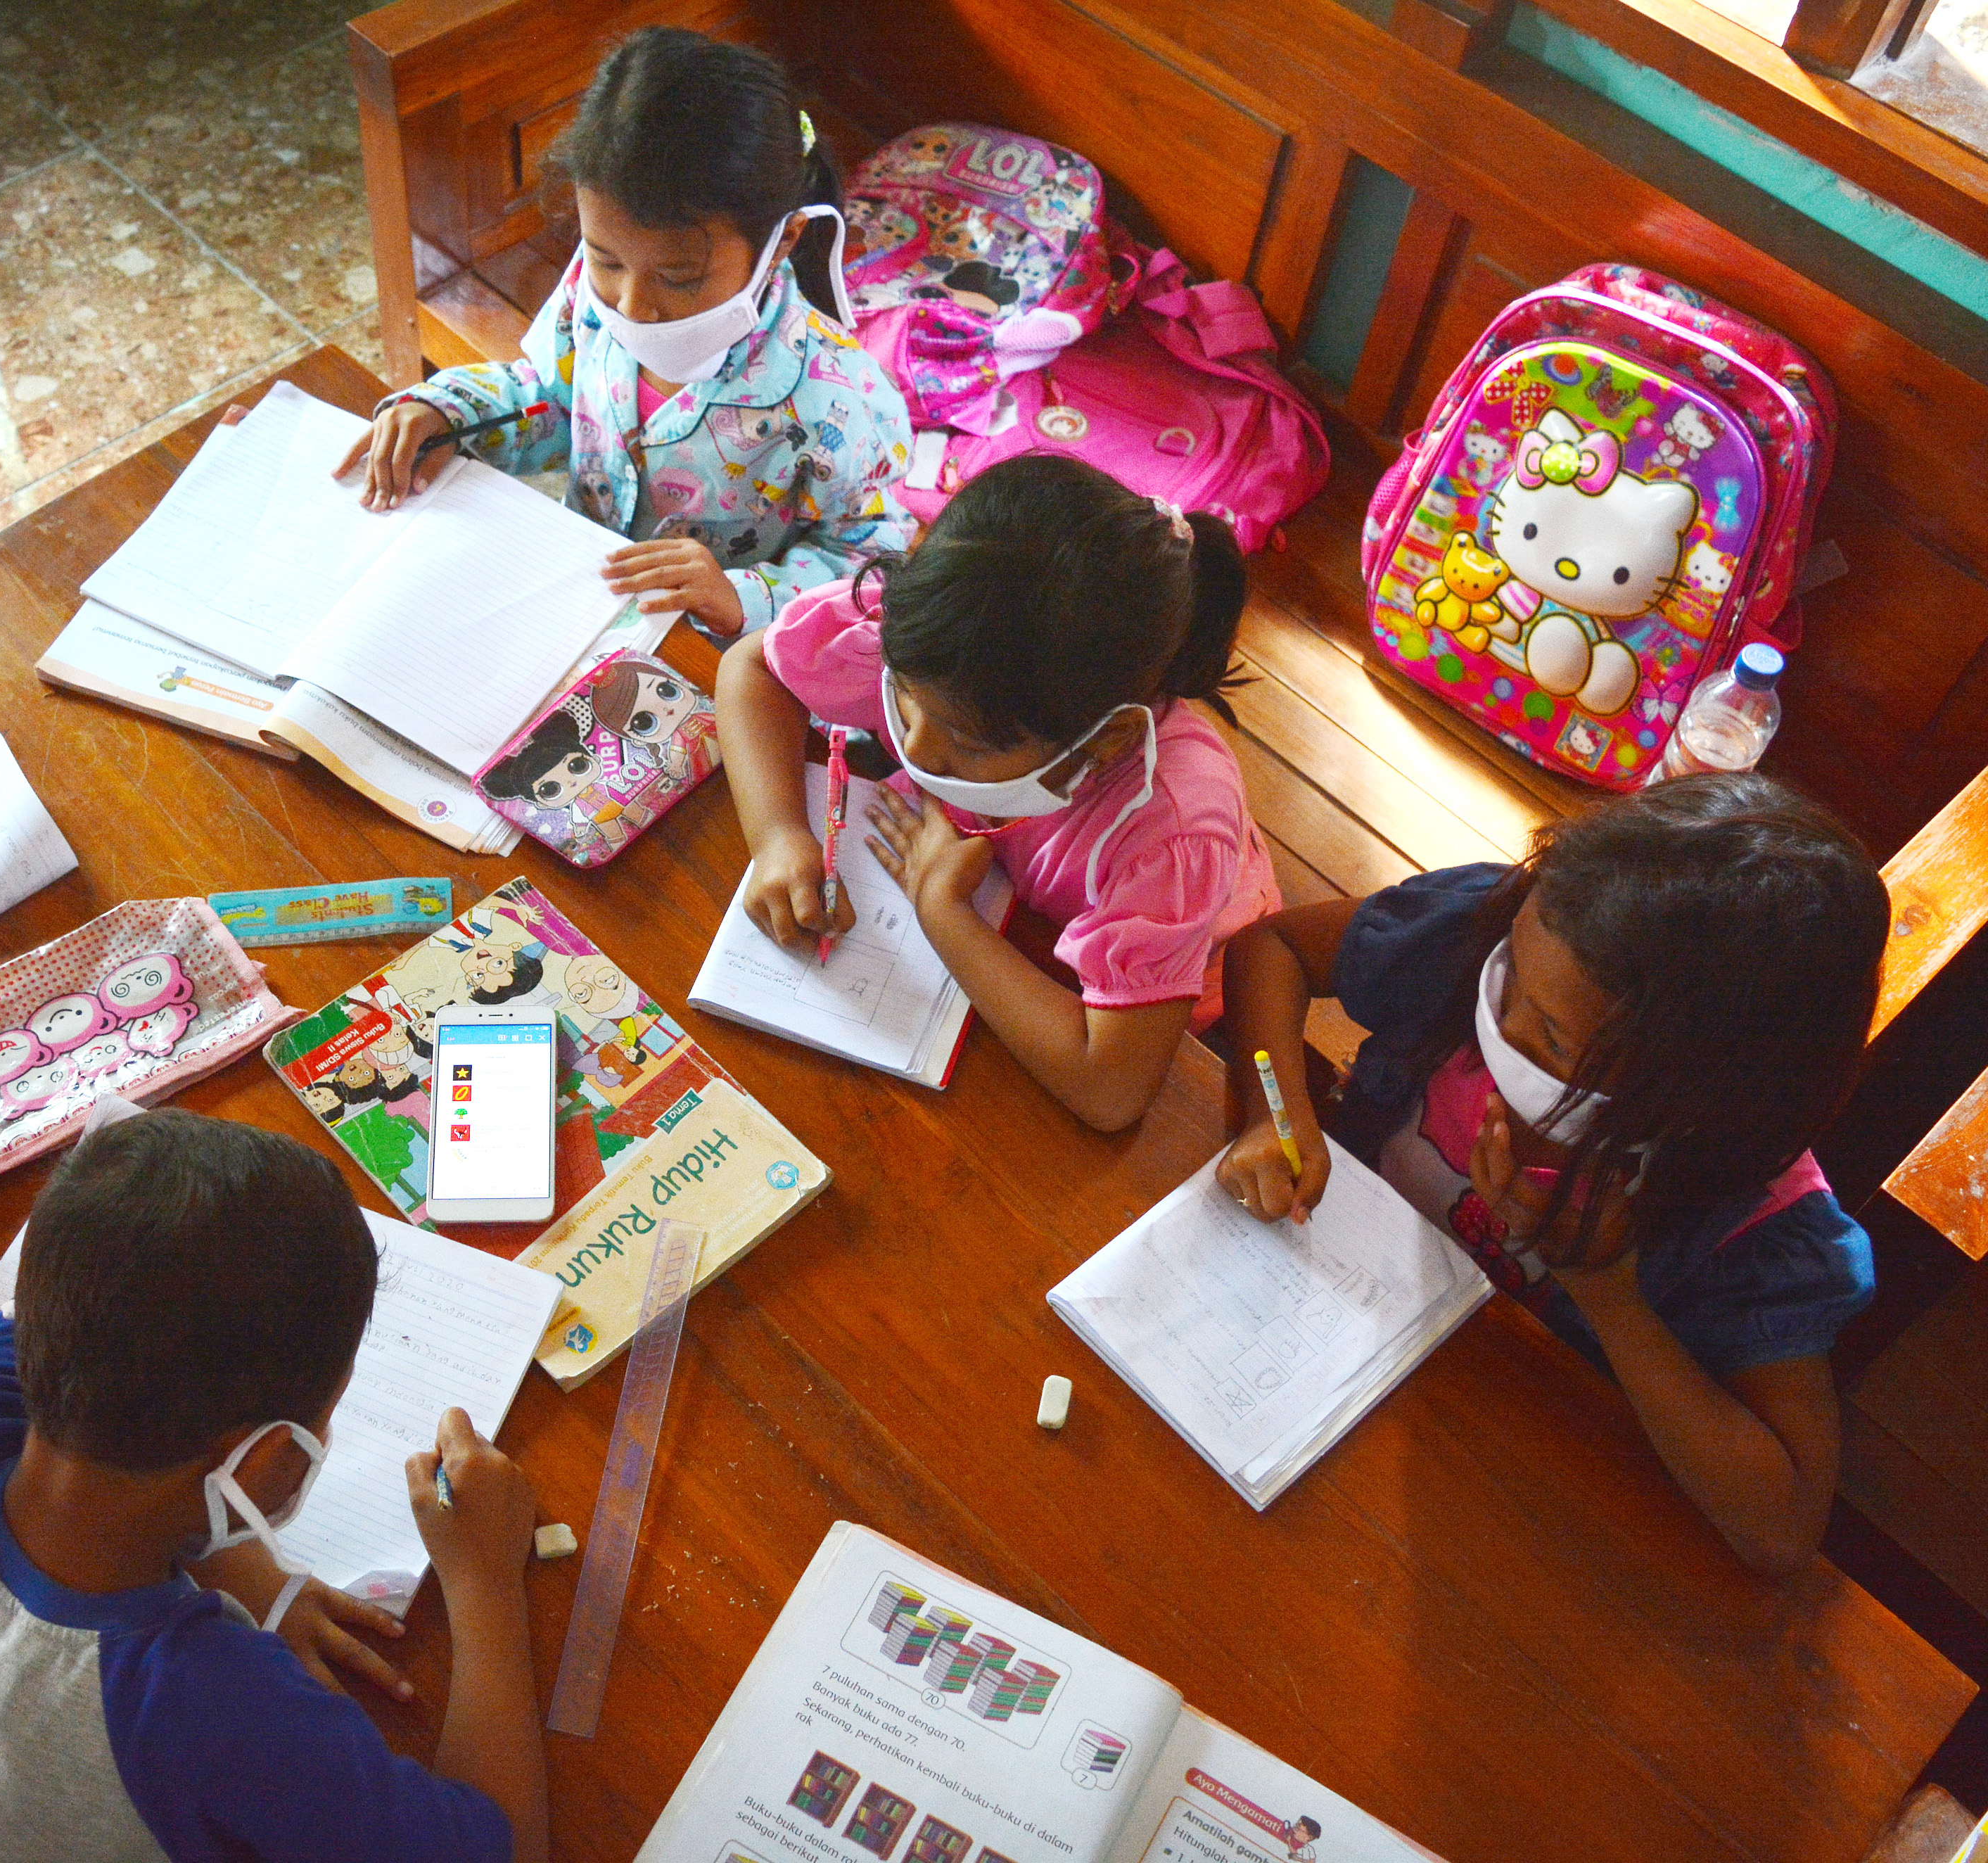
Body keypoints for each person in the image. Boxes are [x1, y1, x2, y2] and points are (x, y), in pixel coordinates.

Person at [0, 1107, 548, 1862]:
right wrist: (483, 1578)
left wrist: (248, 1566)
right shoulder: (212, 1710)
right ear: (262, 1461)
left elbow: (116, 1314)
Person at [1213, 774, 1890, 1576]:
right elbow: (1275, 948)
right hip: (1309, 1331)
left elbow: (1779, 1525)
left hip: (1488, 1474)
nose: (1501, 1025)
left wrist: (1603, 1286)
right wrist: (1273, 1113)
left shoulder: (1751, 1223)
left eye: (1556, 1042)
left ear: (1703, 1092)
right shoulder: (1485, 934)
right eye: (1510, 982)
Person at [717, 454, 1278, 1131]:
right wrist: (778, 835)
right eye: (901, 691)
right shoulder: (942, 648)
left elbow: (1112, 1089)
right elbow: (752, 666)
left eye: (968, 744)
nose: (916, 747)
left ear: (1103, 743)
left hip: (1165, 990)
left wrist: (942, 909)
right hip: (1005, 904)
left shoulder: (1174, 830)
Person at [340, 25, 913, 640]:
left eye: (679, 276)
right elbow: (547, 396)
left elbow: (871, 565)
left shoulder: (839, 402)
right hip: (574, 605)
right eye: (607, 260)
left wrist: (743, 597)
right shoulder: (591, 296)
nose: (635, 307)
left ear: (782, 244)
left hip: (715, 658)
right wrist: (449, 412)